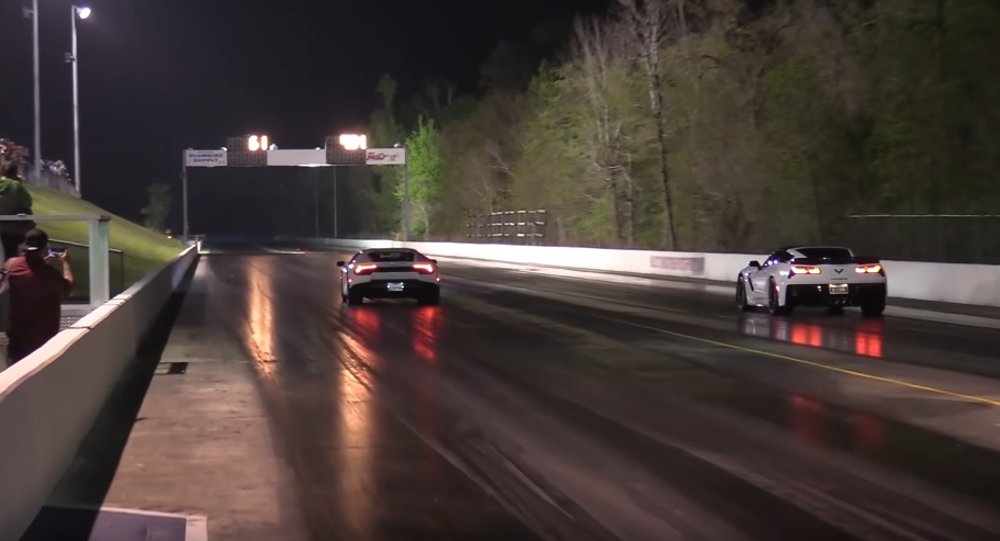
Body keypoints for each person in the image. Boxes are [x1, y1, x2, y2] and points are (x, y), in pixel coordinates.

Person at [4, 228, 73, 364]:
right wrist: (66, 264)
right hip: (42, 339)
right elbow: (67, 288)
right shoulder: (49, 274)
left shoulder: (10, 265)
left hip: (15, 335)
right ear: (44, 249)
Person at [0, 161, 34, 262]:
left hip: (3, 226)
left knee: (8, 255)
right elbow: (28, 203)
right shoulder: (16, 185)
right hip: (18, 227)